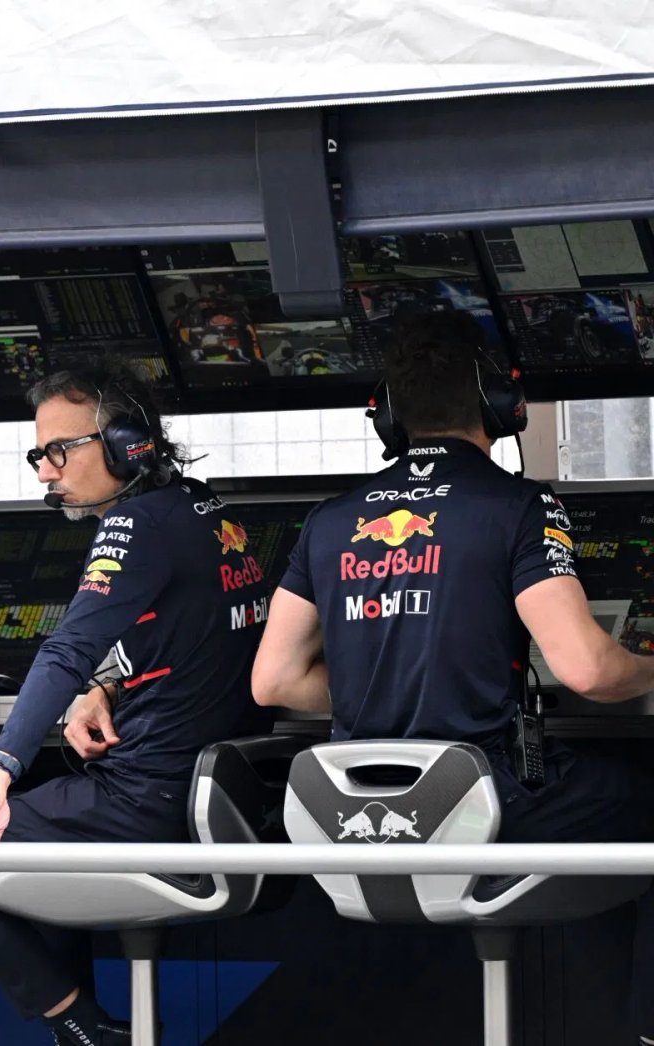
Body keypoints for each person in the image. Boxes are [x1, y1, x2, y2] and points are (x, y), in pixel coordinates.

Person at [252, 310, 654, 1042]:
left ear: (389, 416)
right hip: (480, 809)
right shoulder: (521, 507)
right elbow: (588, 670)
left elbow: (274, 682)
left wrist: (394, 682)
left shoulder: (330, 520)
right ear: (503, 404)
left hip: (351, 821)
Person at [0, 368, 269, 1046]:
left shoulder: (133, 525)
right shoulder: (202, 509)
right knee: (38, 835)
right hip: (216, 794)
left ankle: (81, 1028)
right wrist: (106, 688)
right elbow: (190, 636)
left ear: (127, 445)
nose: (45, 471)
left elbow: (64, 652)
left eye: (59, 450)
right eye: (38, 454)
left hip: (147, 803)